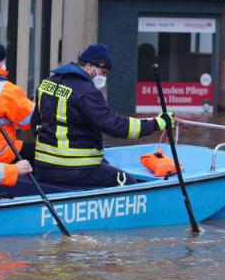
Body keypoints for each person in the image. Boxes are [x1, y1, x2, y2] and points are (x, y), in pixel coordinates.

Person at [30, 44, 174, 187]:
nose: (104, 77)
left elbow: (34, 124)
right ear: (88, 66)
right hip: (75, 169)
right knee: (128, 182)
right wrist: (157, 124)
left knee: (105, 164)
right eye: (103, 71)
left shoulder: (47, 83)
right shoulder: (87, 92)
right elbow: (116, 126)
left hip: (44, 167)